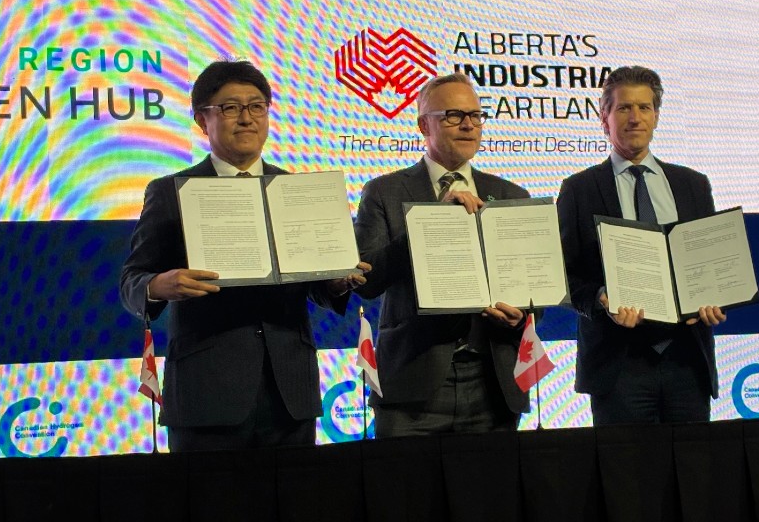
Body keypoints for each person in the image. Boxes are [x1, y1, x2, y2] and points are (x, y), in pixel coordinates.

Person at [119, 60, 367, 451]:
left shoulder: (296, 191)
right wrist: (158, 285)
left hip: (290, 391)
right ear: (202, 120)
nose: (246, 118)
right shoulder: (171, 191)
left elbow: (319, 287)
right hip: (206, 392)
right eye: (230, 107)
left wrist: (338, 280)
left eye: (257, 106)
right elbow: (132, 281)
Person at [354, 73, 529, 437]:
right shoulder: (384, 191)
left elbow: (531, 287)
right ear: (423, 125)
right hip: (412, 385)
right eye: (452, 115)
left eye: (475, 115)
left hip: (493, 382)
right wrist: (430, 221)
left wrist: (522, 314)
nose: (467, 124)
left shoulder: (512, 194)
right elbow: (366, 282)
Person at [557, 65, 726, 425]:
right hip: (617, 365)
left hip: (687, 359)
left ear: (657, 116)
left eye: (644, 108)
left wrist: (713, 296)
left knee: (694, 472)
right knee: (628, 475)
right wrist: (602, 298)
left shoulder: (693, 185)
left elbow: (708, 264)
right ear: (604, 118)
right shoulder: (579, 190)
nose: (635, 118)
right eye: (623, 108)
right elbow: (563, 275)